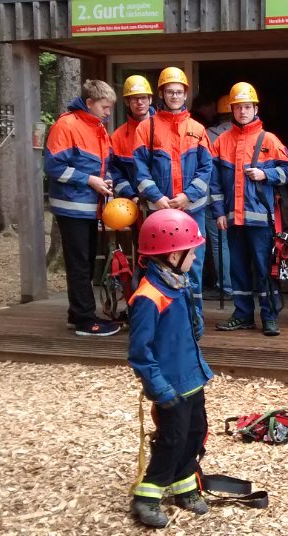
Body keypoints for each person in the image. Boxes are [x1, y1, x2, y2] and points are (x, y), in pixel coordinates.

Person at [127, 209, 212, 528]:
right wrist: (160, 391)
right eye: (192, 251)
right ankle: (147, 496)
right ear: (174, 256)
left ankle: (184, 485)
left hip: (192, 378)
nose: (195, 257)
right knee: (172, 439)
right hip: (170, 386)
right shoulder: (149, 296)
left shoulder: (179, 283)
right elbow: (139, 352)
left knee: (196, 434)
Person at [210, 82, 288, 337]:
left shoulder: (268, 139)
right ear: (232, 110)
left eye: (247, 107)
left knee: (264, 269)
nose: (243, 111)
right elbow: (214, 183)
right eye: (238, 107)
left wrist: (265, 174)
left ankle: (269, 317)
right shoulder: (221, 142)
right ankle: (243, 315)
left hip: (261, 221)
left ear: (255, 108)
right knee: (237, 270)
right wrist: (218, 213)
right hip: (233, 220)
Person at [131, 67, 212, 331]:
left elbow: (206, 168)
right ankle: (163, 320)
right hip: (160, 212)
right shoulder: (146, 128)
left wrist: (188, 196)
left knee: (192, 265)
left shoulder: (197, 129)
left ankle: (194, 321)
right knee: (159, 264)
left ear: (185, 94)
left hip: (192, 211)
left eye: (179, 92)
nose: (175, 96)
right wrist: (156, 198)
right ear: (162, 94)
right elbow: (140, 169)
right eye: (170, 91)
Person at [43, 79, 120, 337]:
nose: (108, 112)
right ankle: (86, 322)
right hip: (71, 207)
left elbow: (103, 165)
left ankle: (76, 315)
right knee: (79, 265)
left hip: (89, 207)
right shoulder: (66, 125)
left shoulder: (97, 127)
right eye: (104, 107)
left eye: (110, 108)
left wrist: (106, 179)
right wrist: (90, 180)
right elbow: (53, 167)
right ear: (89, 103)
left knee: (85, 262)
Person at [204, 94, 233, 301]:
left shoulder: (209, 135)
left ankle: (226, 287)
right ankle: (237, 286)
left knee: (219, 243)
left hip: (211, 198)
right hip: (237, 198)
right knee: (235, 243)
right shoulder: (245, 136)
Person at [110, 75, 154, 201]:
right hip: (133, 202)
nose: (139, 102)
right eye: (135, 98)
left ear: (150, 99)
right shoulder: (118, 137)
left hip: (164, 201)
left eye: (143, 97)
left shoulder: (164, 129)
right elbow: (115, 174)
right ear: (127, 102)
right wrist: (131, 196)